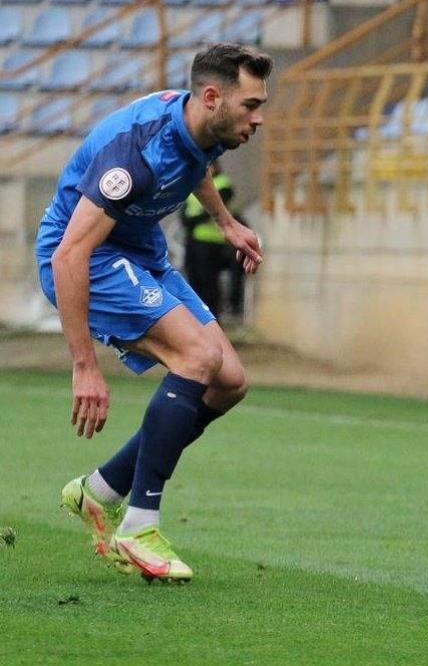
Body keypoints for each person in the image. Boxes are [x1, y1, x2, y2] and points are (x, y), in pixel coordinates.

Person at [40, 43, 270, 582]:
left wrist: (228, 223)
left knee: (230, 380)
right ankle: (138, 526)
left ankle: (99, 492)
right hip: (87, 260)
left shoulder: (203, 124)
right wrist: (84, 365)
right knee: (196, 356)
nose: (258, 119)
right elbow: (69, 253)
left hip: (140, 252)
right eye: (250, 106)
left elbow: (197, 165)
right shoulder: (135, 156)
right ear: (212, 96)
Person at [180, 162, 237, 317]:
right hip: (193, 240)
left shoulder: (223, 184)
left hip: (212, 242)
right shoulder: (193, 183)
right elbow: (184, 212)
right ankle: (196, 319)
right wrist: (191, 221)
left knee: (209, 284)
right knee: (193, 281)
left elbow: (214, 210)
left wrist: (194, 220)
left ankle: (212, 318)